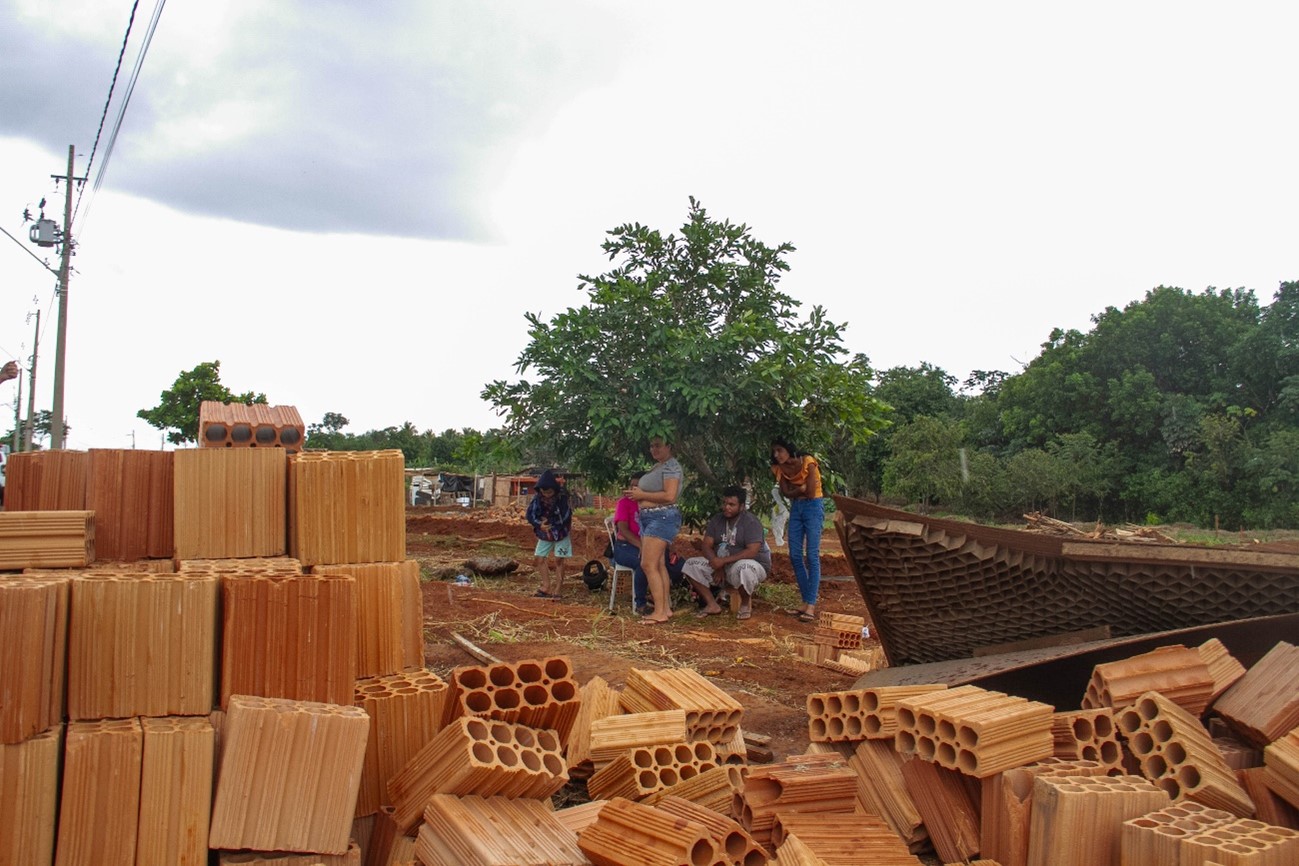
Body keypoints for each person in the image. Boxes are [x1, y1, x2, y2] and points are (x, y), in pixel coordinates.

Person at [681, 486, 770, 621]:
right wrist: (718, 565)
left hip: (752, 566)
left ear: (741, 506)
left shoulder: (751, 522)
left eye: (731, 505)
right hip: (722, 564)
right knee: (690, 564)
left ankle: (745, 604)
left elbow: (752, 552)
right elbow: (706, 545)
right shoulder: (717, 520)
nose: (726, 507)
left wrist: (722, 561)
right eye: (724, 503)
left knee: (744, 567)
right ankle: (712, 604)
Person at [625, 435, 683, 623]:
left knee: (647, 564)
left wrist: (641, 494)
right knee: (658, 565)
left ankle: (659, 612)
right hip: (654, 517)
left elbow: (670, 496)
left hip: (662, 517)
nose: (654, 449)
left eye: (658, 446)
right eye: (651, 446)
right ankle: (664, 609)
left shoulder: (671, 467)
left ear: (669, 446)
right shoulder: (661, 466)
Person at [772, 438, 823, 623]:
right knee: (794, 555)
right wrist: (799, 490)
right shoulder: (779, 469)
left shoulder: (808, 462)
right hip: (797, 507)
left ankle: (810, 604)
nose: (777, 455)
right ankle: (805, 601)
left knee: (812, 555)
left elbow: (810, 493)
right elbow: (785, 492)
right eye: (774, 452)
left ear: (788, 449)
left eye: (779, 450)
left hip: (813, 507)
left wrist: (799, 490)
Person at [526, 469, 572, 599]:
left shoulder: (563, 499)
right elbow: (529, 515)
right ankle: (546, 586)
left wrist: (551, 523)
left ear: (555, 490)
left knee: (559, 559)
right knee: (539, 558)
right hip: (544, 533)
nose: (546, 495)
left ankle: (558, 590)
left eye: (549, 492)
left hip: (561, 532)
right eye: (544, 492)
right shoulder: (536, 500)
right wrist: (539, 525)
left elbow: (566, 516)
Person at [611, 472, 651, 614]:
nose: (633, 489)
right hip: (624, 546)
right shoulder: (624, 503)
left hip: (648, 545)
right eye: (631, 486)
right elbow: (623, 529)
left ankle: (661, 599)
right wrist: (641, 545)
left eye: (637, 486)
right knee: (644, 562)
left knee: (665, 561)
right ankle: (640, 604)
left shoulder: (650, 505)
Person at [770, 482, 790, 548]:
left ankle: (780, 539)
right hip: (781, 506)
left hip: (781, 506)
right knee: (779, 523)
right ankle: (779, 540)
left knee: (778, 523)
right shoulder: (776, 490)